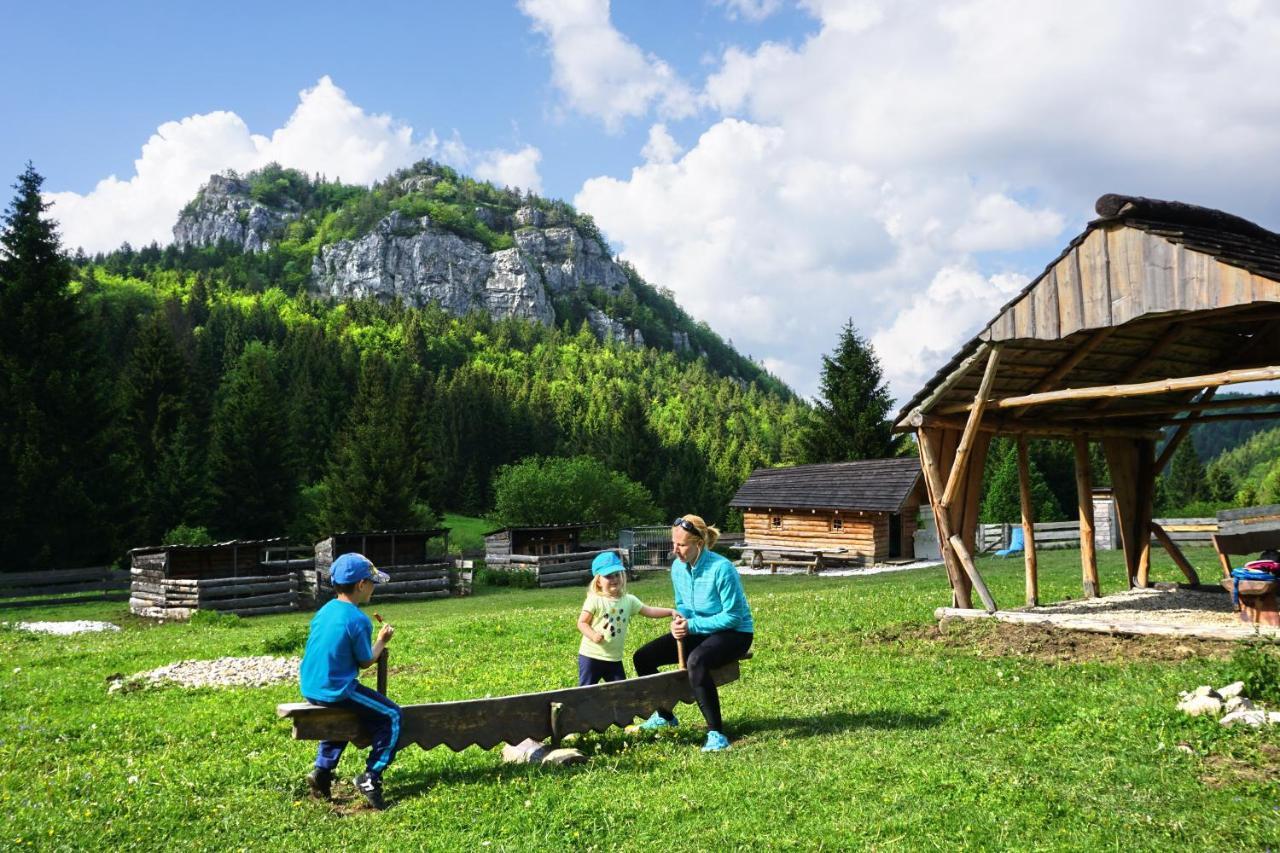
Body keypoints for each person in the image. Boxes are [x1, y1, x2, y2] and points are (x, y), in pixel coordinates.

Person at [632, 515, 754, 752]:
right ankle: (665, 716)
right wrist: (679, 621)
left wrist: (692, 627)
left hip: (735, 633)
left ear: (699, 544)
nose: (675, 550)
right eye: (673, 543)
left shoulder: (722, 568)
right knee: (643, 657)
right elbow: (683, 605)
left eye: (681, 545)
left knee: (696, 661)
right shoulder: (678, 567)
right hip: (699, 628)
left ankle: (716, 734)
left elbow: (733, 617)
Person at [298, 552, 399, 810]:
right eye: (372, 582)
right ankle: (371, 776)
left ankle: (322, 771)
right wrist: (382, 641)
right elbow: (366, 661)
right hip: (336, 688)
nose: (374, 587)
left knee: (343, 718)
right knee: (391, 715)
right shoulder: (358, 620)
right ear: (361, 585)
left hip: (311, 686)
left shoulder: (325, 610)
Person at [577, 551, 676, 685]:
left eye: (617, 575)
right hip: (591, 657)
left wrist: (670, 611)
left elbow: (649, 610)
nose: (614, 579)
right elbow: (582, 623)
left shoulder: (629, 600)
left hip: (614, 659)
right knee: (585, 692)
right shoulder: (595, 600)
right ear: (598, 581)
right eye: (608, 576)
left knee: (622, 692)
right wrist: (593, 635)